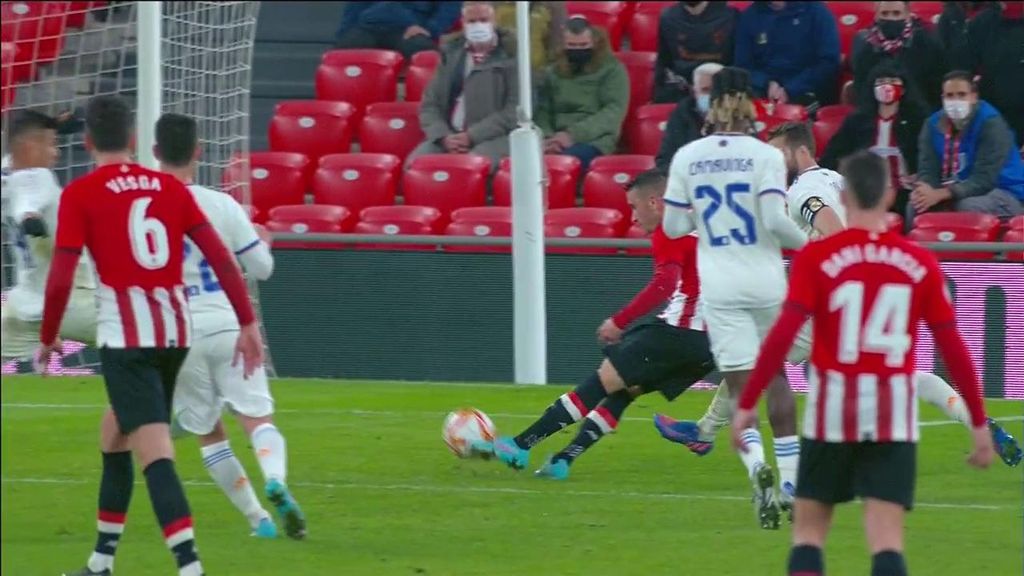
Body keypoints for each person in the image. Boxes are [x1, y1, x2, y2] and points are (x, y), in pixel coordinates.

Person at [657, 122, 1022, 469]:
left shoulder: (803, 189)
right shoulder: (838, 180)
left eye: (776, 153)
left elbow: (830, 229)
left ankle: (705, 432)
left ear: (798, 151)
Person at [731, 149, 995, 576]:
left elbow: (781, 336)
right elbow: (954, 348)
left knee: (809, 535)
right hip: (892, 416)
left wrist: (745, 407)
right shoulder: (919, 263)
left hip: (833, 410)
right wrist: (979, 423)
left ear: (846, 195)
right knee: (887, 542)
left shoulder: (816, 259)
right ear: (890, 195)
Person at [44, 95, 264, 576]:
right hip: (174, 334)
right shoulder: (169, 189)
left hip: (129, 341)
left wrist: (47, 337)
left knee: (155, 452)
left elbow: (62, 274)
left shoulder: (81, 193)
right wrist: (247, 322)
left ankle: (190, 567)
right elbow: (224, 259)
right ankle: (101, 562)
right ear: (133, 140)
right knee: (115, 433)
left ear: (86, 142)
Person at [476, 169, 714, 478]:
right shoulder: (708, 221)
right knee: (624, 391)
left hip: (679, 332)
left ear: (655, 203)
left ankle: (521, 444)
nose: (632, 217)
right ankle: (563, 460)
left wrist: (619, 321)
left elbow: (664, 285)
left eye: (634, 206)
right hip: (709, 345)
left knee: (597, 384)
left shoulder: (669, 229)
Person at [661, 66, 809, 530]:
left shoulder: (688, 155)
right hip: (765, 280)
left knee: (743, 391)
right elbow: (775, 220)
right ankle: (789, 480)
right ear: (752, 103)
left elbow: (672, 227)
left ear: (711, 101)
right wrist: (813, 244)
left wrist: (705, 221)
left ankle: (756, 470)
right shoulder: (764, 155)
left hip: (719, 286)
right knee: (778, 379)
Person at [154, 113, 307, 540]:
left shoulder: (145, 209)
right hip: (228, 324)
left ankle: (258, 520)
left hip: (176, 332)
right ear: (199, 153)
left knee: (207, 431)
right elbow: (262, 268)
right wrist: (263, 241)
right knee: (256, 416)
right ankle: (275, 478)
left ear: (154, 153)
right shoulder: (221, 205)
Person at [1, 110, 96, 364]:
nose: (57, 153)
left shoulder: (6, 176)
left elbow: (15, 155)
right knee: (145, 336)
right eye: (52, 145)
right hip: (75, 301)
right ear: (31, 147)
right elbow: (28, 200)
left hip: (27, 304)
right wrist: (29, 218)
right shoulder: (39, 177)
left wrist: (53, 126)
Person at [407, 1, 517, 170]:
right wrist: (443, 136)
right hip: (449, 135)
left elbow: (513, 112)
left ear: (495, 21)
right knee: (416, 166)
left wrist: (471, 136)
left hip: (496, 137)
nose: (478, 25)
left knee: (467, 167)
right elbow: (430, 105)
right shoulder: (450, 54)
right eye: (472, 21)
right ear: (463, 23)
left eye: (484, 20)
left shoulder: (513, 55)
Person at [820, 60, 929, 220]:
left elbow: (928, 158)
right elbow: (832, 156)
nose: (887, 86)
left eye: (893, 81)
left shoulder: (918, 120)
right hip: (863, 190)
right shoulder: (857, 121)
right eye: (881, 82)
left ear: (904, 88)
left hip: (904, 191)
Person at [910, 70, 1024, 221]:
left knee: (967, 207)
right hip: (956, 191)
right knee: (916, 207)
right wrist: (924, 193)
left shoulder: (990, 123)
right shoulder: (932, 125)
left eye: (962, 94)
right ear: (942, 98)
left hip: (1005, 192)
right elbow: (927, 170)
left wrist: (942, 194)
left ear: (974, 97)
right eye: (950, 96)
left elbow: (985, 180)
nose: (955, 100)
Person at [535, 16, 629, 172]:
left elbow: (613, 112)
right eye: (572, 45)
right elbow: (544, 109)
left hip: (595, 140)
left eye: (583, 45)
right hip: (554, 138)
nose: (578, 50)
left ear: (594, 42)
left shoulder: (613, 70)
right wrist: (548, 138)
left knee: (558, 165)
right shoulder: (553, 71)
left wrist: (572, 135)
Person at [733, 1, 840, 110]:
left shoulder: (816, 12)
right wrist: (766, 83)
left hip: (807, 88)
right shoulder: (750, 15)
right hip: (764, 89)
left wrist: (790, 89)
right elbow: (742, 65)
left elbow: (828, 62)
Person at [850, 1, 946, 110]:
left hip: (920, 115)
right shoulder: (866, 48)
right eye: (885, 14)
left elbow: (936, 89)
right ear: (876, 16)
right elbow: (862, 93)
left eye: (896, 13)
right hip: (876, 115)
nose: (891, 19)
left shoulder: (928, 44)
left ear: (908, 15)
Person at [653, 1, 738, 104]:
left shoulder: (731, 17)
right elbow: (663, 61)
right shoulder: (668, 18)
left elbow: (738, 64)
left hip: (721, 90)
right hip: (680, 92)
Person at [333, 1, 462, 60]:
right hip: (369, 26)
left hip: (408, 29)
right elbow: (354, 7)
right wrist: (345, 33)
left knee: (428, 57)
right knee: (339, 55)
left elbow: (450, 8)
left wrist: (430, 29)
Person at [655, 62, 723, 170]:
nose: (712, 96)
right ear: (694, 91)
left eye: (717, 90)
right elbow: (666, 161)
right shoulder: (681, 114)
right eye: (705, 90)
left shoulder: (740, 116)